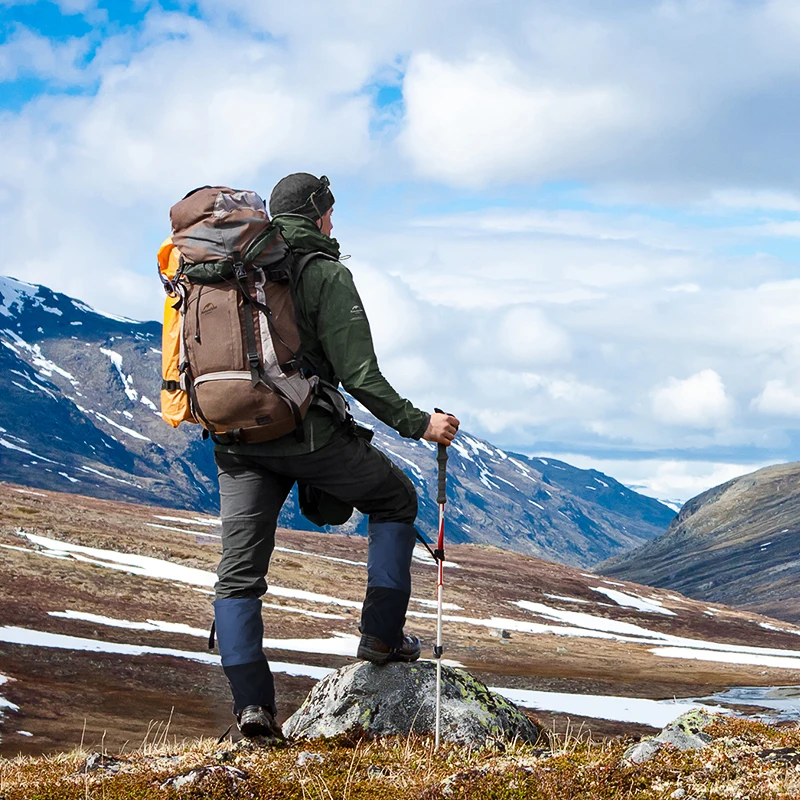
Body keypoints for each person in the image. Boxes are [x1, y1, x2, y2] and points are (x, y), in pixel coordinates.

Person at [211, 172, 460, 739]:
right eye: (331, 212)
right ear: (318, 214)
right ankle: (382, 636)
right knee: (395, 498)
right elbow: (359, 374)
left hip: (237, 439)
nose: (334, 223)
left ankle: (253, 709)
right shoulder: (324, 272)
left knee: (238, 577)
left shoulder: (228, 273)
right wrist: (420, 424)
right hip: (308, 435)